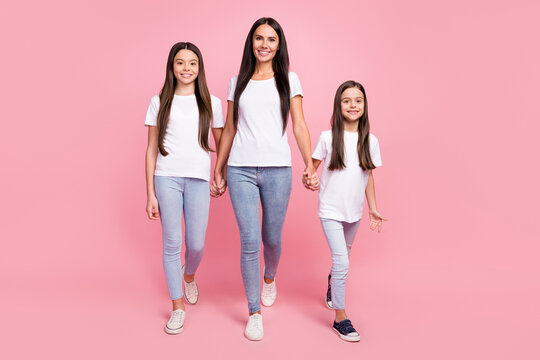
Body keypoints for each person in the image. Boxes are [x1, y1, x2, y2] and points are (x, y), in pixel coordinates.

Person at [211, 17, 319, 341]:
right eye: (259, 38)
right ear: (251, 42)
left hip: (277, 169)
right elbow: (229, 128)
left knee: (271, 237)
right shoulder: (237, 82)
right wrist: (219, 167)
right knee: (248, 241)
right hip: (241, 168)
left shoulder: (289, 79)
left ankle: (270, 277)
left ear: (278, 45)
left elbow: (299, 125)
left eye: (271, 40)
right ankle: (254, 311)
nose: (264, 45)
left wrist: (309, 165)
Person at [144, 42, 224, 335]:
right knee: (171, 244)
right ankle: (177, 307)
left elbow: (221, 143)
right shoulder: (159, 101)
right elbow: (151, 148)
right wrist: (150, 192)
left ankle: (188, 275)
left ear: (199, 67)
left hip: (199, 179)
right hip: (166, 178)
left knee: (197, 243)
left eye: (192, 63)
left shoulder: (211, 103)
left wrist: (220, 173)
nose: (186, 68)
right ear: (172, 66)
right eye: (180, 62)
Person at [310, 81, 387, 342]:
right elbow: (311, 169)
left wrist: (373, 208)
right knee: (342, 261)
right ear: (338, 104)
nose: (352, 105)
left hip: (354, 211)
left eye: (358, 101)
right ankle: (340, 319)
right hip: (330, 209)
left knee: (345, 256)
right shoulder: (327, 137)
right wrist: (308, 178)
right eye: (347, 100)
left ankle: (333, 283)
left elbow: (369, 175)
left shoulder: (371, 140)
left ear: (364, 106)